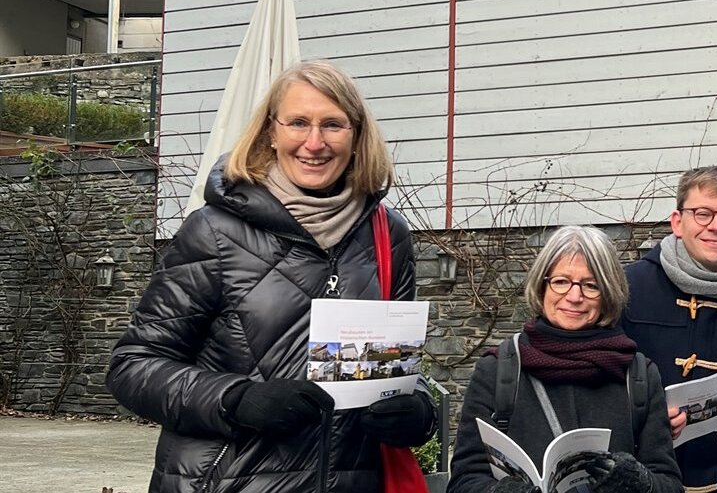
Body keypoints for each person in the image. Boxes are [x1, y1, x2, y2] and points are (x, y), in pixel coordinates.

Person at [108, 60, 436, 493]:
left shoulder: (386, 234)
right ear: (271, 132)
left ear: (356, 135)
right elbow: (133, 366)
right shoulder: (214, 230)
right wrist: (235, 398)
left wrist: (418, 411)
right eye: (298, 123)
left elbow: (395, 362)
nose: (314, 143)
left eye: (332, 125)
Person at [449, 226, 683, 493]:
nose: (574, 297)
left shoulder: (639, 375)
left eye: (591, 285)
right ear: (542, 286)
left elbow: (670, 485)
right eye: (561, 281)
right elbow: (464, 481)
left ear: (608, 293)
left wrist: (640, 483)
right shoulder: (498, 369)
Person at [621, 167, 717, 493]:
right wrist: (645, 420)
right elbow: (597, 382)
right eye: (702, 214)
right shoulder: (628, 287)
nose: (716, 226)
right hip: (637, 477)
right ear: (677, 222)